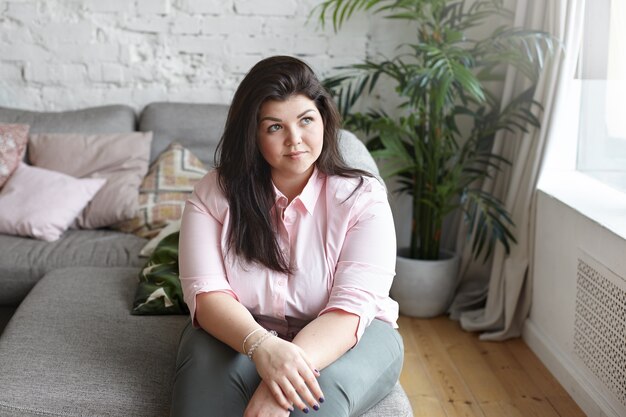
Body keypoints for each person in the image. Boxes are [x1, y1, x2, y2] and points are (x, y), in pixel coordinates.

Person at [170, 55, 403, 417]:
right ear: (253, 134)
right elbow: (206, 295)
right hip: (244, 329)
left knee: (315, 403)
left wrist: (278, 383)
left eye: (306, 120)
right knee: (202, 392)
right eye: (275, 127)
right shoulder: (214, 193)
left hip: (354, 334)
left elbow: (351, 309)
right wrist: (264, 348)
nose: (295, 140)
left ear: (323, 119)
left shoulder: (362, 198)